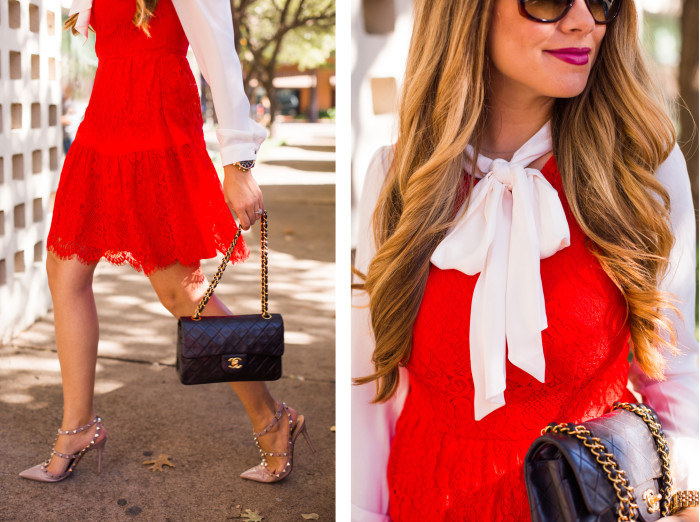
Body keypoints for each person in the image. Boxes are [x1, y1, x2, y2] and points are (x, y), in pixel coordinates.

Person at [351, 0, 699, 519]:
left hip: (586, 504)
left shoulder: (642, 167)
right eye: (547, 0)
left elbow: (674, 368)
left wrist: (683, 495)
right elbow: (369, 394)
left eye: (600, 1)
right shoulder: (397, 177)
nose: (584, 21)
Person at [19, 0, 310, 484]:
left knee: (183, 293)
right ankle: (78, 427)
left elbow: (219, 52)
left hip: (156, 120)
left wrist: (238, 163)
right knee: (64, 270)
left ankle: (274, 419)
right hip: (103, 121)